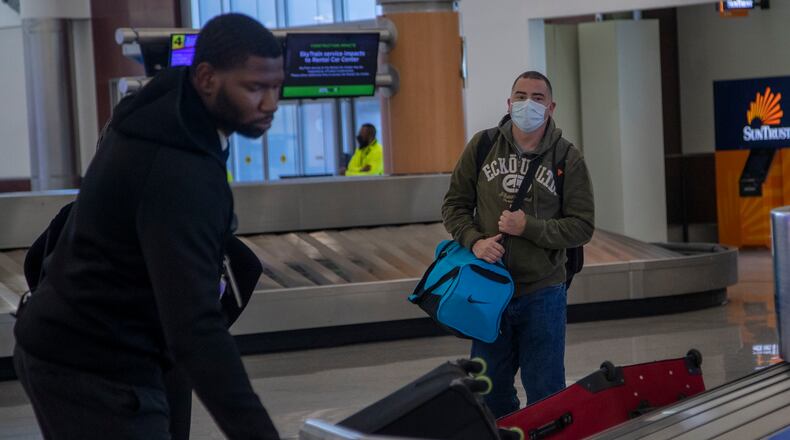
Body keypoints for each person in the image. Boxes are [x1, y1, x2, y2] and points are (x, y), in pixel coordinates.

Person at [13, 13, 283, 439]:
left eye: (276, 86)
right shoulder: (180, 172)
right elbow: (195, 329)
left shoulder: (165, 108)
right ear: (207, 78)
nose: (270, 104)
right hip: (93, 370)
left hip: (67, 348)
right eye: (254, 88)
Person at [441, 71, 595, 417]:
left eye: (537, 98)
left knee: (546, 394)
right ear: (509, 104)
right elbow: (454, 205)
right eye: (520, 96)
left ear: (551, 107)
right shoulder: (482, 146)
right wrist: (475, 241)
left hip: (543, 293)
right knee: (489, 394)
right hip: (487, 291)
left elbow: (582, 227)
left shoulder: (567, 158)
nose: (528, 104)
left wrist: (530, 227)